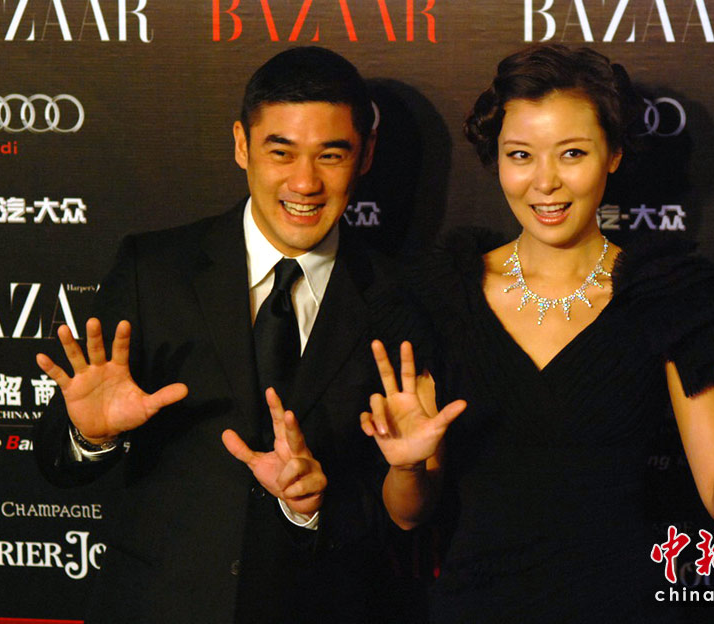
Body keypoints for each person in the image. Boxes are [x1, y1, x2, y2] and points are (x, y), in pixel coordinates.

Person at [360, 44, 714, 621]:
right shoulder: (442, 296)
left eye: (572, 153)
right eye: (520, 155)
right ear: (496, 158)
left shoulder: (664, 296)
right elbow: (407, 515)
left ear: (614, 154)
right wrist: (404, 466)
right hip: (474, 605)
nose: (545, 182)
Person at [33, 46, 423, 623]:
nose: (305, 182)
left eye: (331, 155)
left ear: (364, 156)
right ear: (242, 144)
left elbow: (403, 506)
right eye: (280, 152)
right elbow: (54, 464)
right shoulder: (153, 270)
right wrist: (89, 435)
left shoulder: (401, 298)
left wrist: (316, 505)